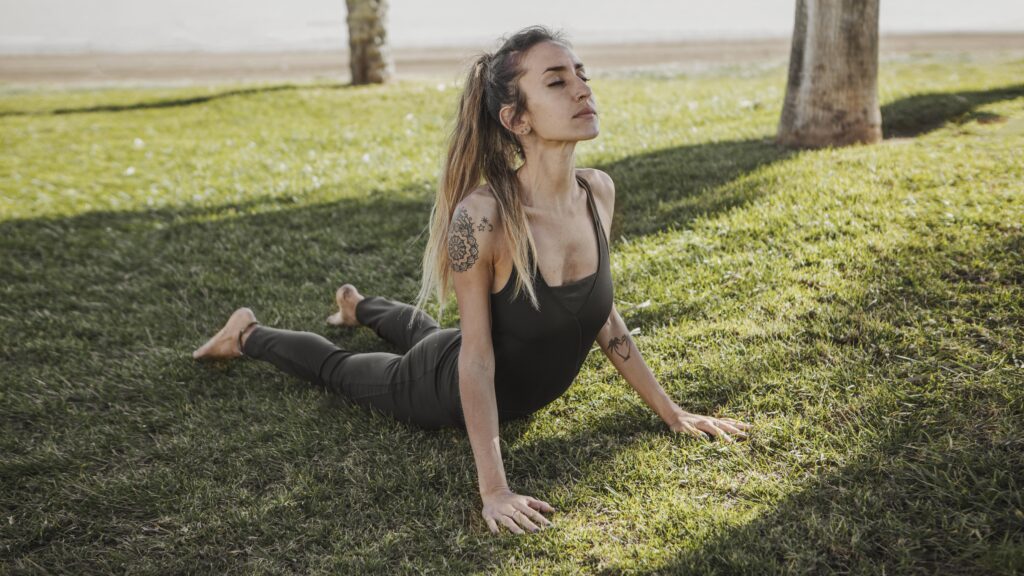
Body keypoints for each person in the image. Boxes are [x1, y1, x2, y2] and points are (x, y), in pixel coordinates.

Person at [192, 25, 752, 536]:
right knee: (344, 370)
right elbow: (477, 360)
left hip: (461, 352)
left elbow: (602, 317)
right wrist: (495, 489)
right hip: (439, 384)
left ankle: (358, 307)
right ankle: (247, 334)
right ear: (517, 118)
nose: (583, 90)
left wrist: (672, 412)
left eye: (582, 75)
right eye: (557, 81)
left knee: (435, 329)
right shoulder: (483, 218)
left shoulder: (597, 191)